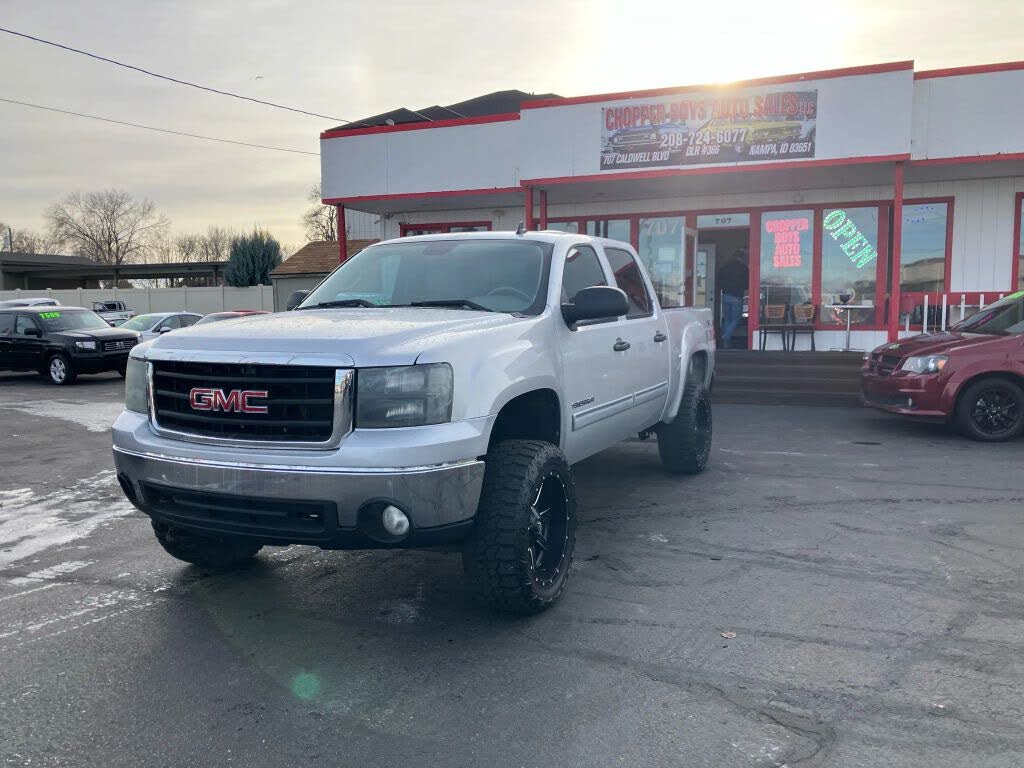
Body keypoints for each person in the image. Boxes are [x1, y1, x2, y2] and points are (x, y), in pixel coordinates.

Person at [717, 249, 748, 348]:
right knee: (736, 319)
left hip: (725, 296)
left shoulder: (725, 267)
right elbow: (747, 283)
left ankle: (726, 344)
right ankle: (726, 337)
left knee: (727, 319)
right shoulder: (743, 268)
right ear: (741, 258)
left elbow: (719, 282)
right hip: (737, 296)